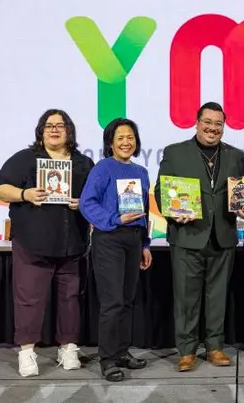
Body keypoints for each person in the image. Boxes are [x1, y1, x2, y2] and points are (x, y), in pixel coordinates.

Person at [0, 109, 94, 377]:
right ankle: (26, 352)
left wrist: (83, 204)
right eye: (49, 126)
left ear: (69, 131)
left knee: (71, 299)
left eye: (60, 125)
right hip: (32, 243)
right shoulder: (25, 159)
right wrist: (24, 193)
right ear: (41, 131)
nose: (55, 130)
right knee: (29, 300)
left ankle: (68, 348)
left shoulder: (84, 163)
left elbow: (96, 199)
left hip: (73, 244)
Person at [154, 102, 244, 372]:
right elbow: (163, 191)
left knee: (217, 296)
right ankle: (186, 351)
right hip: (187, 235)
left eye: (218, 124)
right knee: (186, 297)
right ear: (197, 122)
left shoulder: (235, 155)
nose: (212, 128)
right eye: (207, 122)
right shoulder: (175, 152)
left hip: (223, 236)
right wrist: (174, 215)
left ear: (224, 126)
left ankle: (215, 347)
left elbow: (240, 191)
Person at [79, 118, 153, 382]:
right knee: (112, 303)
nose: (126, 142)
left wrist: (145, 244)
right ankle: (108, 359)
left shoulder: (142, 172)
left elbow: (144, 209)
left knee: (127, 300)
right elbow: (87, 203)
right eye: (120, 137)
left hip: (133, 240)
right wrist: (113, 219)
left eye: (130, 137)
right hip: (109, 238)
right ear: (110, 142)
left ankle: (122, 352)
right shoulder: (102, 169)